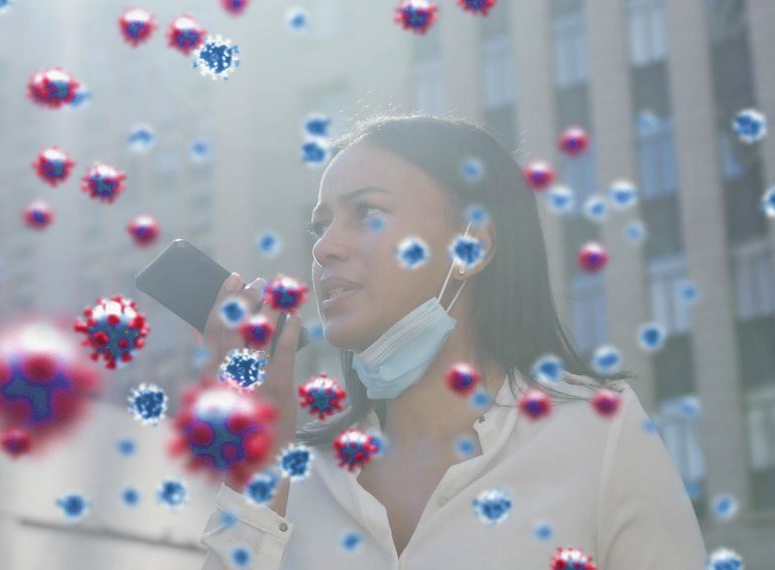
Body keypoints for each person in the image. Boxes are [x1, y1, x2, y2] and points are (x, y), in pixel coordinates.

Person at [198, 115, 708, 569]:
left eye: (367, 213)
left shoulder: (599, 433)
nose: (326, 247)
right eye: (320, 227)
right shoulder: (295, 477)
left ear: (472, 246)